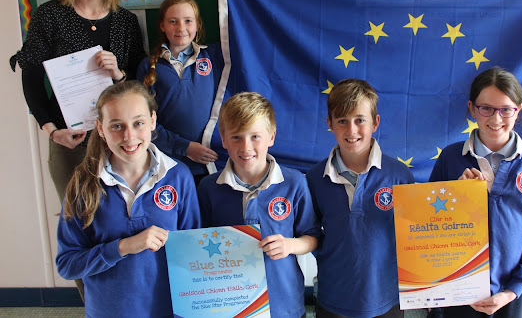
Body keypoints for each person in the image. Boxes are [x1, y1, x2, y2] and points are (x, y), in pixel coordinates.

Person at [10, 0, 146, 201]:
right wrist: (52, 131)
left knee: (120, 216)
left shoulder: (125, 21)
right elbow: (32, 78)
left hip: (121, 141)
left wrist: (118, 73)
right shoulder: (50, 16)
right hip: (70, 140)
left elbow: (138, 82)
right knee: (77, 217)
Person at [56, 81, 200, 318]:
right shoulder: (83, 184)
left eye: (138, 123)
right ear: (100, 128)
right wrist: (123, 247)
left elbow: (194, 253)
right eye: (117, 126)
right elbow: (67, 264)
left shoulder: (179, 176)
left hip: (170, 311)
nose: (129, 136)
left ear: (152, 121)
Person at [429, 67, 522, 318]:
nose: (496, 119)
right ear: (472, 108)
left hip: (512, 291)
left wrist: (514, 289)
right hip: (459, 288)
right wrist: (456, 195)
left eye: (505, 109)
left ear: (518, 110)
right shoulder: (451, 158)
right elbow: (428, 226)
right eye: (486, 108)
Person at [197, 92, 320, 318]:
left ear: (271, 137)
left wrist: (289, 245)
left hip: (284, 306)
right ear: (223, 140)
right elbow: (197, 247)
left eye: (255, 136)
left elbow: (312, 237)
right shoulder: (209, 188)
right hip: (230, 306)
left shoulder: (294, 183)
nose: (246, 147)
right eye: (236, 137)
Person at [306, 78, 415, 318]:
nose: (351, 130)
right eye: (342, 121)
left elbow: (414, 238)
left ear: (375, 123)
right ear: (330, 124)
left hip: (387, 298)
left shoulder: (399, 175)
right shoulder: (314, 179)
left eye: (360, 120)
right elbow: (310, 236)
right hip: (333, 298)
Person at [137, 0, 224, 186]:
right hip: (168, 162)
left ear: (197, 25)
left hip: (212, 162)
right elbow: (143, 122)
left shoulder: (214, 57)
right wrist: (184, 147)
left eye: (188, 21)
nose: (181, 28)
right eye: (173, 21)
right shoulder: (148, 66)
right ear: (162, 26)